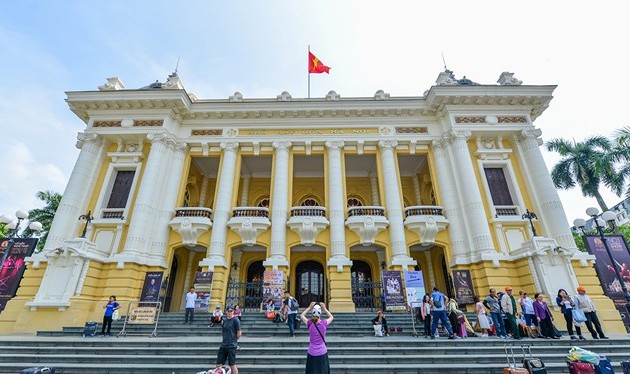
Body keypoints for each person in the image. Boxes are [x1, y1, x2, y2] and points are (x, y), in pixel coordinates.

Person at [300, 302, 333, 374]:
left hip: (312, 352)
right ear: (320, 313)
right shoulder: (324, 323)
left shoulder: (309, 323)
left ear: (313, 313)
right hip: (322, 352)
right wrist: (325, 308)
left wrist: (309, 307)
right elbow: (331, 317)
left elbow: (302, 315)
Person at [215, 306, 242, 374]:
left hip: (231, 345)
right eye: (228, 311)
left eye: (231, 311)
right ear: (226, 312)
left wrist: (234, 340)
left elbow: (239, 333)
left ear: (233, 312)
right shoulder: (225, 321)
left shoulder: (235, 320)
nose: (230, 312)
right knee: (218, 364)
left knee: (232, 364)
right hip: (223, 345)